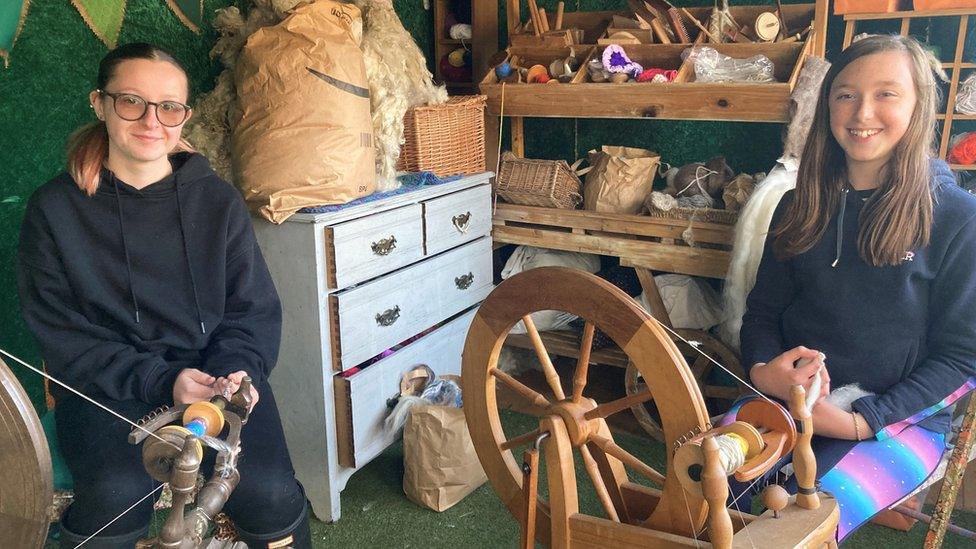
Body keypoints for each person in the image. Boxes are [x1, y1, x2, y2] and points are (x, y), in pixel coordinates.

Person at [17, 43, 312, 548]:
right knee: (113, 493)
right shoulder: (54, 210)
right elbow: (64, 337)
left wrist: (237, 371)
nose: (152, 120)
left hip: (215, 380)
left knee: (269, 491)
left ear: (184, 115)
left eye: (169, 107)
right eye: (132, 101)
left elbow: (252, 309)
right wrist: (161, 380)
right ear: (100, 103)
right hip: (109, 385)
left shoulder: (218, 201)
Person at [734, 34, 976, 542]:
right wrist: (765, 372)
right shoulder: (797, 206)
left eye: (887, 93)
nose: (862, 110)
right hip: (786, 403)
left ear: (919, 106)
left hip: (898, 423)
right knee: (697, 479)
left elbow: (963, 358)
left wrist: (862, 422)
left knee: (793, 531)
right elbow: (761, 315)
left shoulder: (958, 218)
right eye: (845, 94)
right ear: (827, 107)